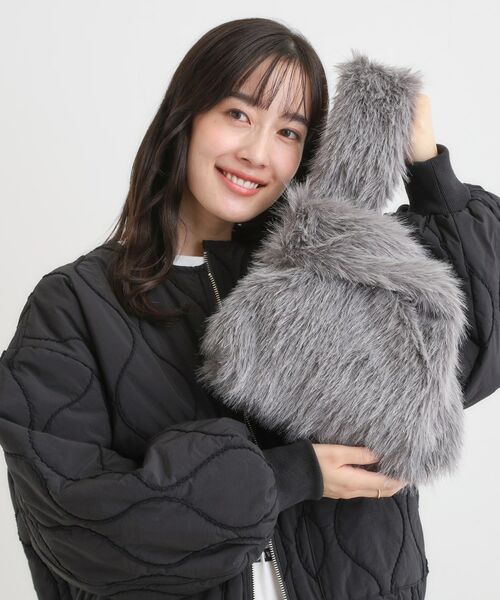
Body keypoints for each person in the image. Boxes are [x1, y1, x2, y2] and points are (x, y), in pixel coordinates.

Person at [1, 16, 499, 600]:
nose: (258, 153)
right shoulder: (73, 307)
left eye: (289, 131)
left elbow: (476, 351)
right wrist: (291, 474)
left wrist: (429, 169)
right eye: (238, 114)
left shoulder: (336, 274)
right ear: (186, 116)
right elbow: (78, 527)